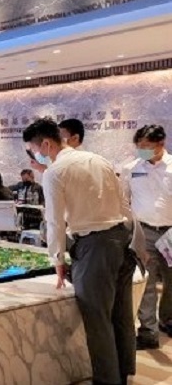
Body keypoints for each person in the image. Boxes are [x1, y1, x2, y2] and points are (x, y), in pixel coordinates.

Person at [23, 117, 136, 385]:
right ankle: (123, 373)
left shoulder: (54, 172)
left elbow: (55, 221)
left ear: (46, 144)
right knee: (121, 314)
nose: (35, 155)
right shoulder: (99, 160)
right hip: (122, 239)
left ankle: (107, 381)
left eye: (33, 150)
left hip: (94, 246)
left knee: (97, 318)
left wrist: (57, 259)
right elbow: (123, 202)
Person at [122, 124, 172, 350]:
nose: (141, 150)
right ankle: (148, 332)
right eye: (139, 146)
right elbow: (124, 200)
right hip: (144, 231)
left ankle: (168, 320)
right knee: (147, 282)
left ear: (161, 144)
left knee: (171, 280)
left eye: (146, 146)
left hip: (170, 232)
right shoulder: (132, 168)